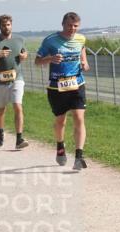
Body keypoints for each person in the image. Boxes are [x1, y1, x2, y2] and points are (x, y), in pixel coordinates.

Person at [35, 12, 90, 170]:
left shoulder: (80, 38)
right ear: (63, 24)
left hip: (77, 84)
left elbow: (82, 49)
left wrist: (84, 62)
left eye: (75, 26)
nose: (72, 29)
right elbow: (37, 61)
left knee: (79, 118)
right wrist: (50, 59)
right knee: (61, 120)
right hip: (57, 87)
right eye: (69, 26)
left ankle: (79, 156)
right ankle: (60, 147)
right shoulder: (50, 40)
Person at [0, 14, 30, 150]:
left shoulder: (20, 39)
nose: (6, 27)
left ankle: (19, 138)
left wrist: (24, 55)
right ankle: (0, 133)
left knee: (17, 106)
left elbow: (24, 53)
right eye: (3, 25)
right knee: (1, 109)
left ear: (11, 25)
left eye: (8, 24)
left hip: (17, 78)